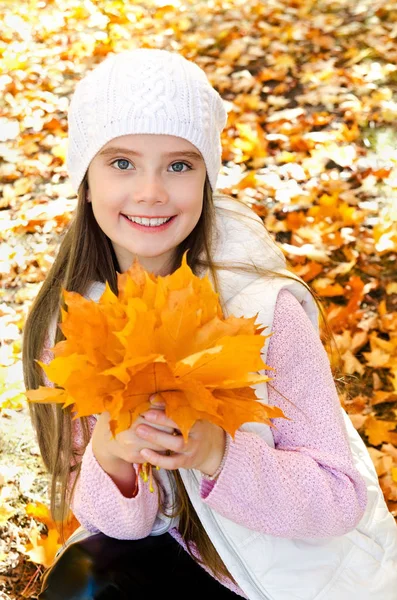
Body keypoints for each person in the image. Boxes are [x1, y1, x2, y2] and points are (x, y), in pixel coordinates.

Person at [22, 49, 397, 600]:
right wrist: (112, 459)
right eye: (122, 162)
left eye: (179, 165)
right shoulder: (77, 317)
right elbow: (118, 525)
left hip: (294, 578)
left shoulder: (262, 312)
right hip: (183, 557)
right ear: (84, 176)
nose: (151, 191)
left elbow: (339, 499)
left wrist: (217, 453)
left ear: (206, 177)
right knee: (80, 582)